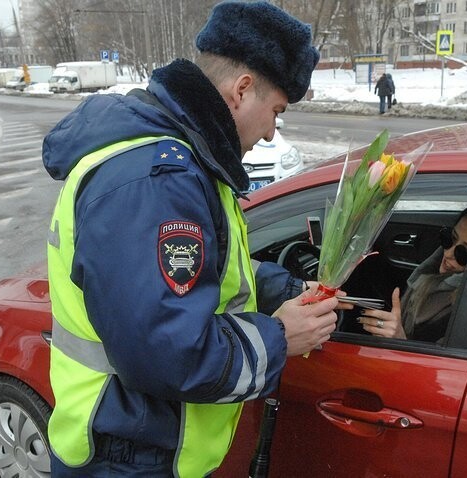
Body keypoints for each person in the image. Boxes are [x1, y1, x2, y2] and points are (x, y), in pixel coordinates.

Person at [42, 3, 340, 476]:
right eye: (275, 113)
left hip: (141, 448)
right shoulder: (157, 179)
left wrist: (288, 291)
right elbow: (170, 354)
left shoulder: (186, 159)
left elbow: (208, 270)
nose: (270, 134)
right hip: (129, 458)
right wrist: (281, 335)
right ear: (242, 91)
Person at [358, 204, 467, 341]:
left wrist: (399, 340)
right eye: (450, 238)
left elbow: (443, 362)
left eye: (463, 254)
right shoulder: (429, 278)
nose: (448, 253)